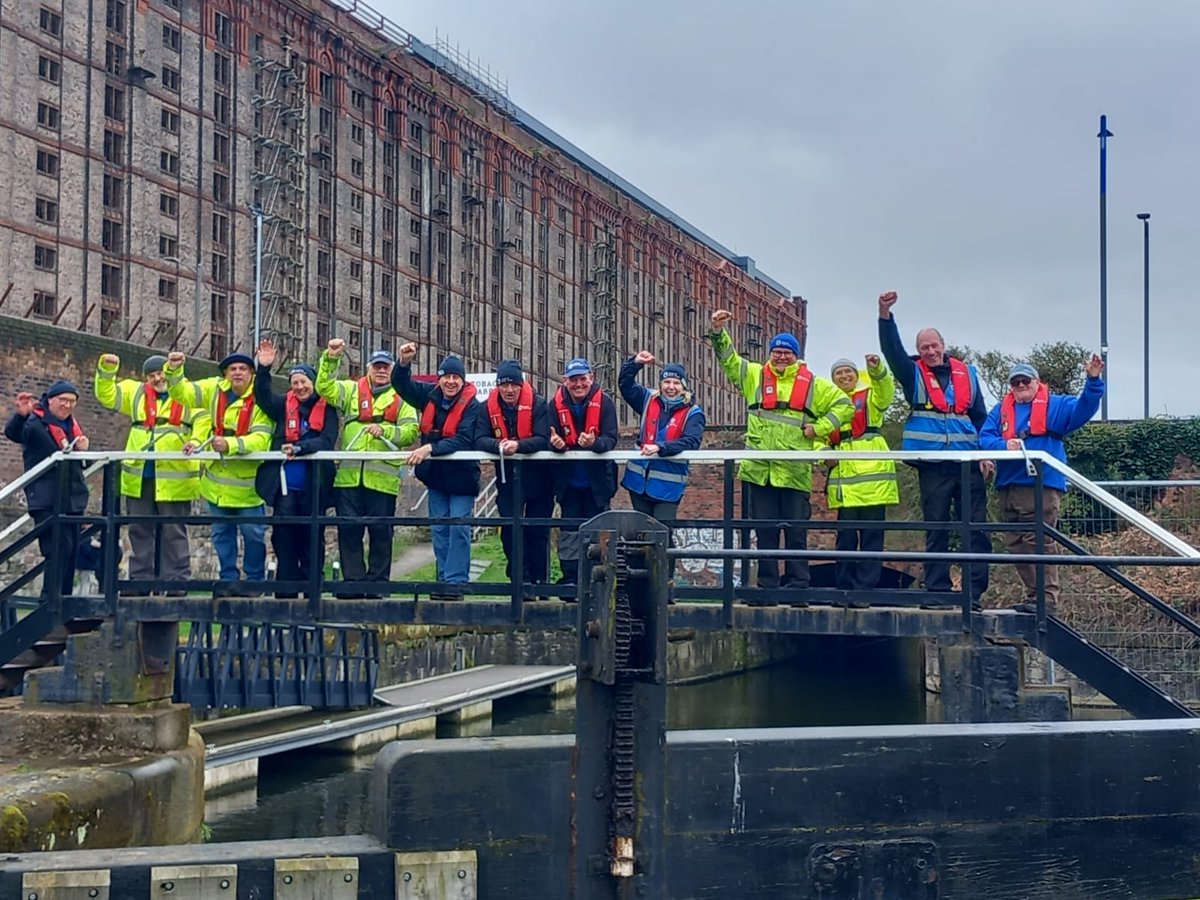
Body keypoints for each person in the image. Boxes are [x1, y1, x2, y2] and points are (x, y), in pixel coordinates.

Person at [710, 309, 850, 603]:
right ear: (770, 353)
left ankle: (799, 587)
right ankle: (767, 588)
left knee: (796, 533)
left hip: (795, 471)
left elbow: (844, 405)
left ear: (796, 356)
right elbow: (729, 361)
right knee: (765, 532)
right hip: (759, 470)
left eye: (787, 352)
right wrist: (718, 331)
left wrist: (821, 427)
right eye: (777, 351)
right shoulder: (755, 376)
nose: (782, 356)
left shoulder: (814, 384)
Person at [877, 290, 993, 606]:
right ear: (919, 351)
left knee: (976, 529)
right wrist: (885, 316)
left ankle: (974, 591)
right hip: (932, 465)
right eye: (924, 347)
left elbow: (981, 416)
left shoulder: (967, 373)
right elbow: (892, 352)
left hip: (968, 461)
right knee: (937, 528)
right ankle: (937, 590)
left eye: (934, 345)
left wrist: (986, 452)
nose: (930, 351)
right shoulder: (912, 373)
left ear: (943, 346)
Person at [979, 357, 1105, 613]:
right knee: (1015, 541)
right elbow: (985, 436)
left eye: (1026, 380)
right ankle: (1033, 597)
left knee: (1038, 540)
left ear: (1037, 382)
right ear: (1011, 387)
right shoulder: (1001, 410)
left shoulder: (1056, 405)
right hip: (1009, 484)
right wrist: (1004, 446)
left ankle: (1046, 600)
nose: (1021, 384)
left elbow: (1086, 407)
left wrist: (1093, 380)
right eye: (1016, 382)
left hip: (1041, 483)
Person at [165, 351, 273, 597]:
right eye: (232, 369)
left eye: (243, 369)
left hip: (248, 488)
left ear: (252, 374)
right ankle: (228, 581)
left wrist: (231, 445)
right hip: (216, 486)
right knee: (222, 535)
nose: (237, 373)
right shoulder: (214, 389)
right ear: (225, 374)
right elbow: (182, 393)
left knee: (253, 535)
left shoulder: (260, 398)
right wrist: (174, 370)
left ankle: (255, 583)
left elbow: (262, 438)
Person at [94, 353, 204, 595]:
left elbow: (204, 421)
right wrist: (107, 370)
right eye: (152, 375)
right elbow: (107, 395)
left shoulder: (187, 393)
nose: (157, 378)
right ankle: (139, 582)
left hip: (174, 476)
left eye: (161, 373)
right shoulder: (135, 393)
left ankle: (176, 583)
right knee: (139, 528)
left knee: (173, 530)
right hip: (139, 475)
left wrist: (195, 441)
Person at [315, 341, 418, 597]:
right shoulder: (351, 391)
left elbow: (410, 431)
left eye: (385, 367)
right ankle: (352, 583)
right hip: (349, 479)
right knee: (349, 531)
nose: (381, 371)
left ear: (392, 369)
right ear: (369, 368)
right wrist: (331, 358)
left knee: (381, 533)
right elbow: (324, 386)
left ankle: (378, 585)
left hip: (382, 480)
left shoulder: (402, 396)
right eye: (377, 367)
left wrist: (385, 430)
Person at [393, 343, 483, 601]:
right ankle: (443, 579)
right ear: (440, 378)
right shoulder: (428, 395)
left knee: (459, 528)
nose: (451, 382)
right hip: (436, 478)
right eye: (447, 377)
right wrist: (403, 363)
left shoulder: (473, 406)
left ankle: (456, 583)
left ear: (462, 380)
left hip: (462, 478)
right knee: (440, 528)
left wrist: (429, 448)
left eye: (456, 377)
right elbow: (402, 386)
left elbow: (464, 440)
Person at [253, 340, 340, 598]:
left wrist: (301, 447)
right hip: (285, 485)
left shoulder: (328, 410)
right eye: (295, 383)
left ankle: (312, 588)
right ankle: (286, 590)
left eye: (304, 382)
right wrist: (264, 369)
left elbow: (326, 440)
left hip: (315, 486)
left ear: (313, 383)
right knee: (283, 536)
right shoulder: (283, 406)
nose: (300, 387)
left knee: (312, 538)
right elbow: (263, 397)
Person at [617, 351, 706, 580]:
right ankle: (638, 583)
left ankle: (663, 583)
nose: (671, 387)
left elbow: (691, 441)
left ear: (684, 387)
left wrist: (660, 447)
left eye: (676, 382)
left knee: (662, 533)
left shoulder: (693, 413)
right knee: (638, 534)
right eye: (667, 381)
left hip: (668, 487)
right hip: (639, 482)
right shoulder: (648, 400)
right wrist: (635, 363)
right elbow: (625, 385)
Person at [474, 359, 554, 601]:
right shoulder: (486, 408)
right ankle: (519, 579)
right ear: (498, 386)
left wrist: (518, 446)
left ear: (522, 385)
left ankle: (540, 582)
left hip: (540, 480)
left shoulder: (539, 405)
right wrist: (499, 445)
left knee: (538, 532)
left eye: (514, 384)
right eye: (504, 384)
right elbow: (479, 438)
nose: (509, 389)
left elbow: (543, 439)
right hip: (508, 480)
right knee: (510, 530)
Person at [819, 355, 900, 593]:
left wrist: (877, 370)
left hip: (873, 481)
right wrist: (824, 452)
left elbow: (886, 391)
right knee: (845, 538)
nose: (844, 376)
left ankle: (865, 588)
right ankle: (844, 588)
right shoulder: (827, 405)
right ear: (833, 379)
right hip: (845, 481)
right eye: (839, 373)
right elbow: (816, 438)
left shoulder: (869, 399)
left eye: (848, 372)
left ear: (856, 375)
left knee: (871, 538)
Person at [5, 381, 89, 599]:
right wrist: (21, 415)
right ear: (50, 400)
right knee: (57, 548)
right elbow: (15, 434)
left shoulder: (72, 427)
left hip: (72, 497)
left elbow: (81, 463)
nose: (67, 406)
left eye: (72, 401)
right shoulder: (36, 422)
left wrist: (85, 450)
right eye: (63, 400)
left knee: (72, 550)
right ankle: (50, 600)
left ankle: (65, 598)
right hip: (46, 498)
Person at [549, 357, 619, 600]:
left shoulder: (606, 404)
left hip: (597, 483)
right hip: (568, 483)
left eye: (582, 379)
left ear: (591, 378)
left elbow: (611, 439)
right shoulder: (554, 405)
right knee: (569, 532)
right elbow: (549, 435)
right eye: (573, 380)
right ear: (565, 382)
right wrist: (556, 444)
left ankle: (595, 581)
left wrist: (594, 443)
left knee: (597, 533)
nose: (578, 384)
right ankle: (570, 580)